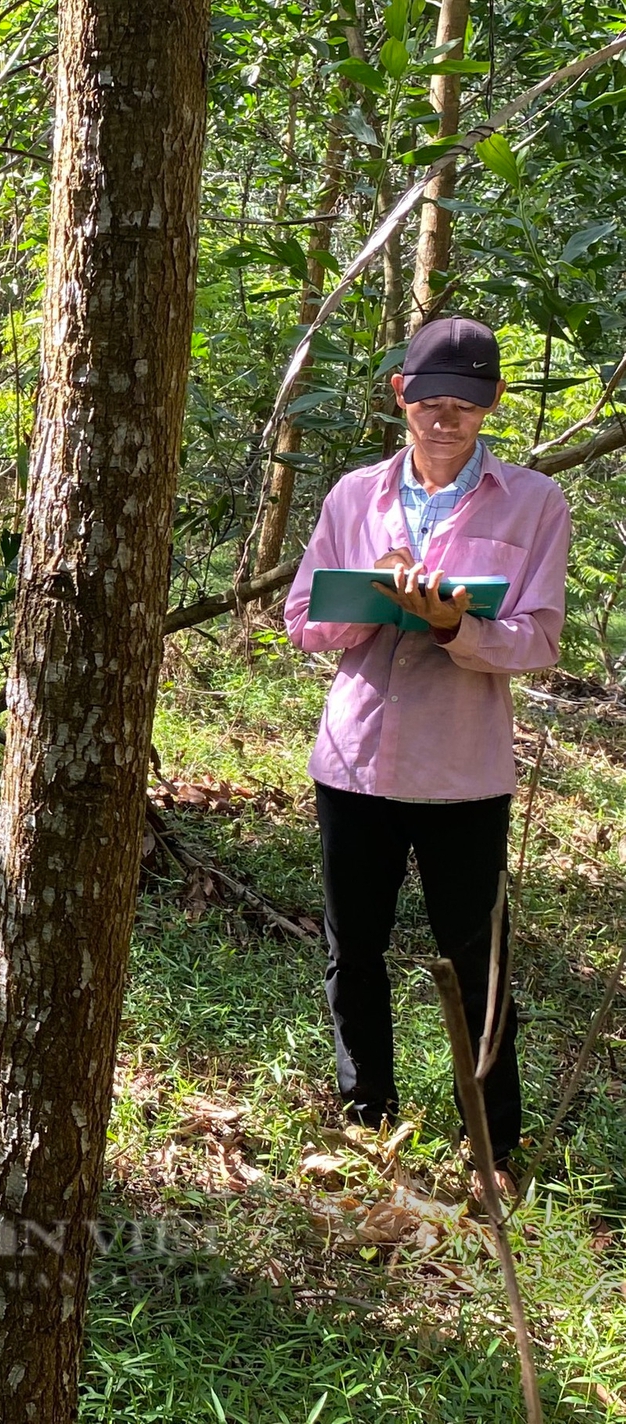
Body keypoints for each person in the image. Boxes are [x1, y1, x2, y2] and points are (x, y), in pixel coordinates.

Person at [284, 316, 570, 1196]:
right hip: (357, 758)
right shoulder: (353, 495)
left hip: (463, 772)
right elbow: (304, 620)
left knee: (478, 958)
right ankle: (367, 1119)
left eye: (468, 406)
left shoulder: (533, 504)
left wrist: (459, 625)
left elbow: (540, 639)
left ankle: (495, 1146)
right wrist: (376, 598)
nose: (447, 421)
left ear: (491, 409)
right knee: (353, 947)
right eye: (432, 401)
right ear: (401, 395)